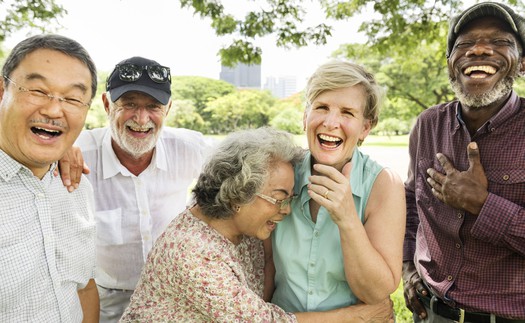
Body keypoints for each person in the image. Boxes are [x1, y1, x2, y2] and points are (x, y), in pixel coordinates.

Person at [120, 127, 394, 322]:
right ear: (239, 194)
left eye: (290, 198)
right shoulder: (192, 252)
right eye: (278, 199)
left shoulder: (243, 231)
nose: (286, 211)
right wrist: (357, 316)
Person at [60, 56, 209, 322]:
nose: (141, 119)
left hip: (174, 295)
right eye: (129, 104)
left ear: (168, 109)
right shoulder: (78, 151)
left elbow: (245, 165)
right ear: (107, 104)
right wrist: (60, 149)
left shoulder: (189, 148)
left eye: (153, 106)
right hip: (106, 299)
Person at [403, 2, 525, 322]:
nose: (479, 49)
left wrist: (483, 205)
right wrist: (407, 268)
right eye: (465, 44)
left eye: (500, 42)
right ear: (450, 64)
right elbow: (411, 203)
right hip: (432, 312)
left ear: (522, 63)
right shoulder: (428, 124)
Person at [270, 60, 406, 317]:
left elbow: (376, 293)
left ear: (366, 127)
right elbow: (265, 269)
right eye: (321, 107)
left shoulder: (384, 185)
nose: (331, 123)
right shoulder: (280, 174)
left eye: (347, 112)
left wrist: (347, 218)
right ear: (305, 117)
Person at [0, 34, 98, 322]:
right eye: (38, 91)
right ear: (2, 90)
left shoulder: (77, 185)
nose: (54, 110)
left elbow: (84, 287)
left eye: (73, 98)